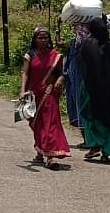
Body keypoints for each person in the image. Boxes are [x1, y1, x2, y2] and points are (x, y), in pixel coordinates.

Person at [19, 27, 71, 168]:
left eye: (46, 38)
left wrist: (61, 79)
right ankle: (40, 151)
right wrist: (22, 91)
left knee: (50, 123)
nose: (43, 40)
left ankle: (50, 156)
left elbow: (61, 72)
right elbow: (25, 73)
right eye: (40, 38)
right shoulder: (30, 55)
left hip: (49, 92)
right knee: (36, 124)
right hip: (33, 94)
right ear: (35, 39)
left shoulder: (55, 56)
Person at [73, 14, 110, 161]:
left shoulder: (87, 44)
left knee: (90, 115)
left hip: (90, 88)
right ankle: (107, 151)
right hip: (109, 91)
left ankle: (94, 145)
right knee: (108, 118)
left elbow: (81, 63)